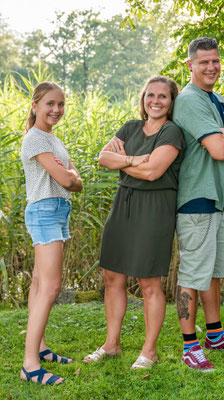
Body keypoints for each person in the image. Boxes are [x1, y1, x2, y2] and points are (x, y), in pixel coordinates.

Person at [83, 76, 185, 370]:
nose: (155, 101)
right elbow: (103, 159)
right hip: (123, 203)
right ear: (143, 98)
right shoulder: (130, 127)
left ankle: (149, 351)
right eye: (150, 95)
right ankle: (111, 344)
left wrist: (124, 159)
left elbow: (153, 172)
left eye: (162, 96)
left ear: (171, 101)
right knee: (112, 276)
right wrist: (133, 160)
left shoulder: (172, 131)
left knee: (148, 280)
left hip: (155, 207)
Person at [172, 37, 224, 372]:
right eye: (203, 61)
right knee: (193, 274)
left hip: (220, 201)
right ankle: (189, 345)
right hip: (197, 201)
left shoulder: (218, 99)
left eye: (215, 61)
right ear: (190, 65)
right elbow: (221, 150)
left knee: (214, 272)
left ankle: (215, 334)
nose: (211, 67)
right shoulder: (189, 100)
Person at [19, 81, 83, 385]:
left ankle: (41, 348)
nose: (56, 109)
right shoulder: (35, 139)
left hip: (56, 210)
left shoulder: (52, 139)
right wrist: (69, 175)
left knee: (38, 283)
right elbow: (68, 179)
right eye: (50, 104)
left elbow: (76, 180)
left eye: (61, 104)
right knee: (51, 286)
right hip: (45, 211)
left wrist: (70, 175)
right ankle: (30, 365)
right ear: (35, 106)